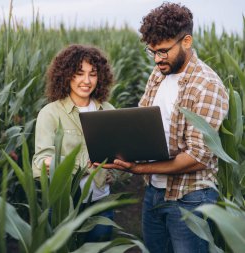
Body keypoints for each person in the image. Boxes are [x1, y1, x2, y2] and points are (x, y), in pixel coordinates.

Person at [98, 2, 229, 253]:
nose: (157, 59)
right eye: (152, 51)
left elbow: (197, 158)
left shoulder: (207, 85)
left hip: (190, 197)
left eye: (163, 51)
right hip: (154, 190)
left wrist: (138, 168)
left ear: (187, 41)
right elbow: (141, 126)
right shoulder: (158, 74)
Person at [32, 44, 116, 242]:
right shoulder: (50, 113)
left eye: (93, 74)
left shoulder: (108, 110)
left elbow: (117, 151)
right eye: (79, 73)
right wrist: (81, 165)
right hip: (64, 205)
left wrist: (114, 172)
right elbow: (40, 162)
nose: (86, 81)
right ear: (66, 75)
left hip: (101, 202)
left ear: (100, 77)